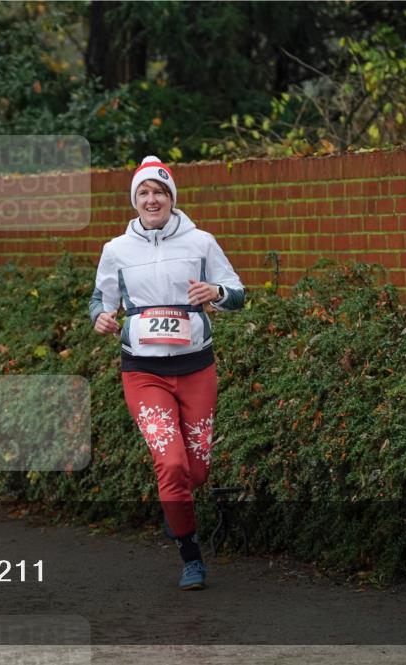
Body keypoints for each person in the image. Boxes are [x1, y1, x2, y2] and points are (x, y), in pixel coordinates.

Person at [89, 156, 244, 590]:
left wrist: (217, 291)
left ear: (171, 198)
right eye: (143, 192)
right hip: (143, 372)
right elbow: (100, 300)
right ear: (134, 201)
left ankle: (174, 507)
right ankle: (190, 554)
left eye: (159, 191)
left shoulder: (201, 242)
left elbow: (238, 293)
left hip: (196, 368)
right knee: (171, 463)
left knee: (196, 471)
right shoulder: (116, 250)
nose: (151, 199)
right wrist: (101, 317)